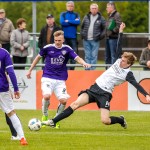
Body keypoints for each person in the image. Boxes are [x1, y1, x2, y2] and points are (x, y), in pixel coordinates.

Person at [42, 23, 150, 129]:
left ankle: (121, 120)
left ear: (129, 64)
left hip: (105, 94)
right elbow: (119, 44)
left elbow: (136, 85)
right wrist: (121, 31)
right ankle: (53, 121)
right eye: (121, 59)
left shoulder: (128, 74)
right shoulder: (118, 59)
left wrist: (146, 95)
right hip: (95, 88)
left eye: (123, 61)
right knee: (75, 104)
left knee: (105, 121)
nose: (120, 62)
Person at [26, 30, 91, 128]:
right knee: (47, 96)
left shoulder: (67, 49)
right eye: (55, 40)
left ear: (63, 40)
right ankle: (45, 115)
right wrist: (30, 70)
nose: (57, 42)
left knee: (64, 101)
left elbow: (77, 57)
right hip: (47, 77)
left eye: (59, 40)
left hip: (60, 80)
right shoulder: (48, 48)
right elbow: (37, 58)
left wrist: (84, 63)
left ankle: (56, 119)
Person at [0, 47, 28, 145]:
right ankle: (22, 138)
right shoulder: (4, 53)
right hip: (2, 88)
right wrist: (16, 89)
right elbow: (11, 72)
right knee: (11, 113)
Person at [81, 3, 105, 70]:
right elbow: (82, 27)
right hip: (86, 40)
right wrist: (82, 34)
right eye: (92, 8)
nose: (94, 10)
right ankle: (87, 70)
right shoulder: (86, 17)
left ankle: (92, 71)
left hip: (95, 40)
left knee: (94, 56)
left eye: (95, 8)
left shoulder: (101, 18)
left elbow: (104, 29)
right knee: (87, 56)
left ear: (97, 9)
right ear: (90, 9)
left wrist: (100, 36)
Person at [60, 1, 80, 70]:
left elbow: (78, 22)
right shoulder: (63, 14)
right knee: (64, 54)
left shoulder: (76, 14)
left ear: (73, 7)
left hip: (73, 38)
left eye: (71, 6)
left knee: (73, 54)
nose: (70, 7)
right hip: (64, 38)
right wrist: (72, 22)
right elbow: (62, 22)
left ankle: (72, 70)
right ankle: (65, 69)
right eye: (68, 6)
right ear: (66, 7)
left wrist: (68, 21)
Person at [105, 2, 122, 68]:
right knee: (107, 56)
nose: (106, 9)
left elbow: (119, 25)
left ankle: (113, 71)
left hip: (113, 38)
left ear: (111, 7)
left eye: (107, 7)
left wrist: (112, 32)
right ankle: (107, 71)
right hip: (108, 38)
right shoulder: (110, 15)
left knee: (113, 56)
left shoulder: (117, 15)